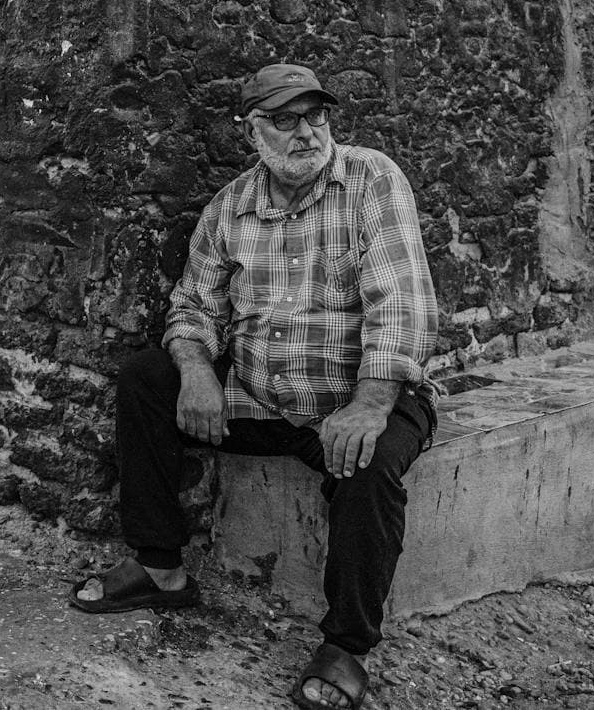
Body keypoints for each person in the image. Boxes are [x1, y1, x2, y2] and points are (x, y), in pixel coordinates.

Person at [69, 62, 439, 710]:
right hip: (261, 395)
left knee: (372, 462)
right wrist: (194, 372)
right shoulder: (229, 208)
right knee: (145, 377)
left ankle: (346, 645)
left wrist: (370, 402)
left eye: (316, 115)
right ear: (254, 130)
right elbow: (191, 306)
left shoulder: (372, 178)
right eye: (286, 119)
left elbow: (400, 303)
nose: (306, 131)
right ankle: (161, 566)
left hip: (356, 392)